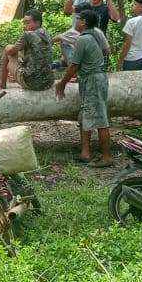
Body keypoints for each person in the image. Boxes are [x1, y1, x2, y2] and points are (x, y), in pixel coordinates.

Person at [55, 11, 112, 167]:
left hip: (93, 80)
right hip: (95, 78)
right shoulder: (97, 34)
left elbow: (74, 66)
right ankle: (85, 153)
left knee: (101, 118)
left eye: (78, 18)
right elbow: (107, 51)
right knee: (85, 113)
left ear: (84, 22)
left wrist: (62, 83)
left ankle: (107, 157)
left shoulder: (83, 39)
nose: (76, 20)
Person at [0, 8, 53, 91]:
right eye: (24, 23)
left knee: (7, 48)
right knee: (21, 52)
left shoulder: (28, 35)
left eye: (28, 23)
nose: (24, 26)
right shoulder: (46, 33)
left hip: (32, 83)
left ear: (37, 23)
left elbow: (10, 51)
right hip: (48, 82)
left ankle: (2, 84)